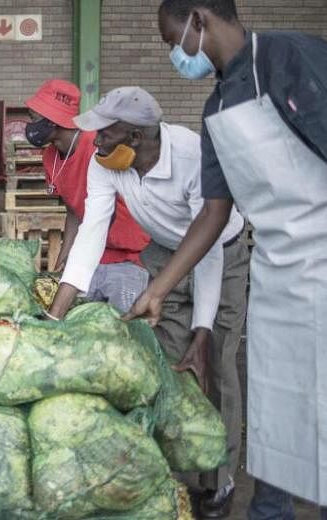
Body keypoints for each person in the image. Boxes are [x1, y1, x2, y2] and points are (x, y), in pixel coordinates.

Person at [130, 1, 327, 517]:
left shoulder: (291, 57)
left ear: (200, 19)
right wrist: (159, 289)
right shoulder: (216, 110)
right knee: (276, 419)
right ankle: (270, 508)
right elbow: (214, 213)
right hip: (280, 274)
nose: (175, 54)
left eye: (173, 40)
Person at [46, 86, 249, 517]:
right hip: (163, 253)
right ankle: (175, 470)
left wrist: (203, 329)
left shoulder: (195, 157)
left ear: (135, 137)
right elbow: (91, 233)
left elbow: (208, 246)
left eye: (103, 134)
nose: (95, 143)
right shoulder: (106, 164)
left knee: (215, 361)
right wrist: (55, 314)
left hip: (222, 252)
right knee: (168, 362)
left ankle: (219, 477)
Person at [24, 79, 150, 312]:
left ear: (52, 121)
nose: (29, 125)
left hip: (127, 258)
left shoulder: (100, 148)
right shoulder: (50, 157)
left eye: (33, 118)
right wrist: (65, 256)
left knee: (123, 330)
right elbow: (74, 208)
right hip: (88, 258)